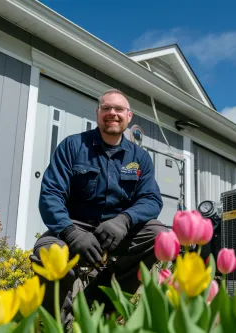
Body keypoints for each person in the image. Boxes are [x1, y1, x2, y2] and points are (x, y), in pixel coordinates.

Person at [30, 88, 167, 325]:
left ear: (129, 116)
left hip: (117, 232)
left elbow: (151, 199)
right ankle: (59, 323)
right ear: (97, 113)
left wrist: (123, 220)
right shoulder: (73, 146)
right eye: (106, 108)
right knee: (47, 253)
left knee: (158, 235)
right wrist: (71, 234)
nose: (112, 113)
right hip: (73, 228)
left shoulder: (140, 158)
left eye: (119, 109)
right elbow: (51, 194)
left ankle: (100, 303)